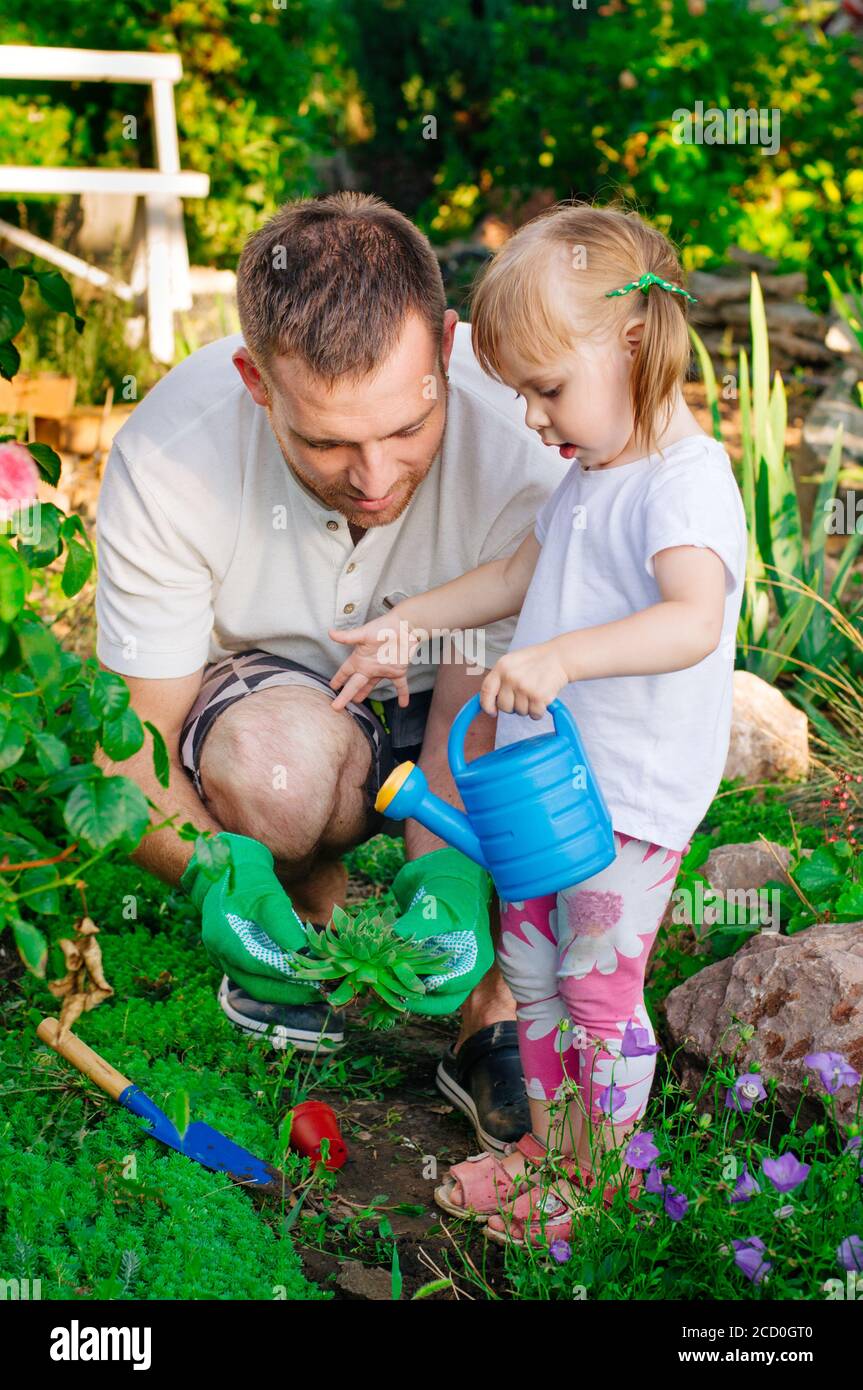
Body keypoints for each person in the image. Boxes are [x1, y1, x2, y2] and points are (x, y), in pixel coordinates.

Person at [94, 191, 573, 1154]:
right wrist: (207, 870)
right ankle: (295, 920)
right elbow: (128, 747)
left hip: (457, 693)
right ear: (255, 380)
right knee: (278, 767)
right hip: (273, 698)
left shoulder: (528, 443)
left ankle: (492, 1007)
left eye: (404, 429)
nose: (374, 477)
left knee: (577, 741)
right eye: (325, 441)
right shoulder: (170, 456)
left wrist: (442, 875)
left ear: (447, 348)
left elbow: (468, 721)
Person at [325, 202, 748, 1246]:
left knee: (596, 989)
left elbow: (690, 619)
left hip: (625, 806)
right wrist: (410, 622)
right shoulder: (589, 475)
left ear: (634, 342)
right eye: (519, 392)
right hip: (537, 796)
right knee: (529, 977)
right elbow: (520, 573)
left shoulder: (682, 485)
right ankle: (537, 1155)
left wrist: (561, 656)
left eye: (547, 387)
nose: (530, 416)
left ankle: (595, 1184)